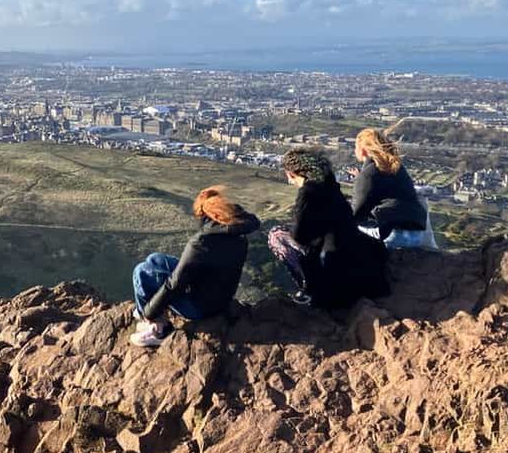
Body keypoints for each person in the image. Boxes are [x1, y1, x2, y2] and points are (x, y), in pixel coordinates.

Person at [130, 186, 260, 347]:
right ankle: (145, 310)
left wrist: (150, 312)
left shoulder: (203, 241)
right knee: (155, 259)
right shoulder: (237, 235)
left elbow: (174, 284)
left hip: (200, 307)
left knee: (142, 271)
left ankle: (157, 329)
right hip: (218, 296)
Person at [268, 148, 389, 309]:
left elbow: (299, 236)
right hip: (364, 271)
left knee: (276, 235)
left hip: (333, 279)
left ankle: (308, 289)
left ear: (293, 173)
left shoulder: (307, 193)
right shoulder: (332, 185)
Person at [349, 128, 433, 250]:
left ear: (362, 150)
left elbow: (355, 214)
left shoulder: (367, 175)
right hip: (415, 234)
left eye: (355, 147)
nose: (354, 150)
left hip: (392, 235)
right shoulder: (396, 166)